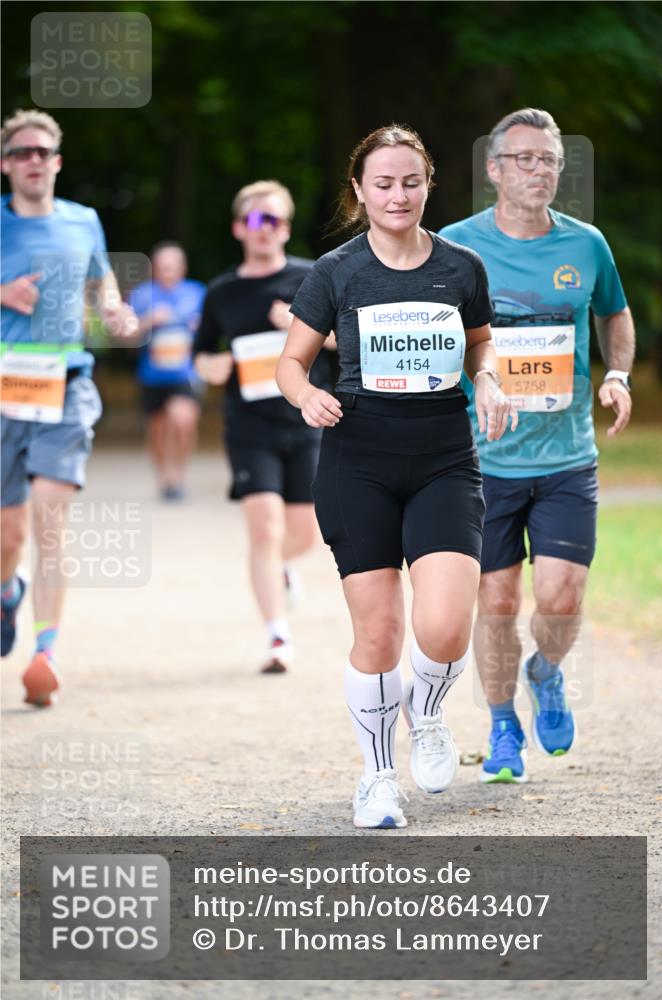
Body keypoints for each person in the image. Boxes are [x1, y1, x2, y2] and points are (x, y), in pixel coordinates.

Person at [277, 125, 516, 829]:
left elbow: (480, 346)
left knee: (443, 627)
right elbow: (290, 362)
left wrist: (492, 383)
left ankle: (429, 710)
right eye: (382, 182)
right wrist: (304, 395)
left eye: (409, 181)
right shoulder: (335, 271)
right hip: (358, 460)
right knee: (378, 632)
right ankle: (377, 778)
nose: (397, 194)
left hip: (444, 457)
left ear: (427, 184)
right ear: (359, 190)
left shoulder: (460, 267)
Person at [439, 108, 634, 783]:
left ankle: (544, 673)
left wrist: (616, 372)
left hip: (566, 459)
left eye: (548, 159)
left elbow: (614, 310)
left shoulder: (585, 245)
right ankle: (499, 727)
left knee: (560, 598)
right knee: (494, 602)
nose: (538, 170)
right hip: (479, 462)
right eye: (522, 158)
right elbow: (431, 331)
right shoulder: (455, 247)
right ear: (493, 169)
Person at [0, 109, 138, 706]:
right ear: (7, 163)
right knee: (9, 534)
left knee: (50, 523)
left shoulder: (84, 221)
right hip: (5, 387)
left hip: (65, 381)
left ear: (56, 162)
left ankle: (45, 653)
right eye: (22, 151)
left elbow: (101, 280)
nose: (34, 160)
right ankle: (9, 591)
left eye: (43, 152)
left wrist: (113, 309)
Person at [193, 181, 336, 673]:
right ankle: (277, 636)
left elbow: (347, 340)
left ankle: (280, 570)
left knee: (304, 534)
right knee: (263, 527)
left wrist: (296, 325)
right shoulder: (222, 292)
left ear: (286, 228)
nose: (264, 229)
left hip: (307, 420)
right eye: (255, 220)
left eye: (273, 220)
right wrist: (207, 368)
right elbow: (204, 352)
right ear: (239, 228)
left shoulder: (314, 277)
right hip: (248, 425)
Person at [129, 241, 205, 500]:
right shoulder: (141, 294)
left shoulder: (197, 293)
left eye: (172, 267)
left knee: (183, 421)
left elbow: (212, 331)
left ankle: (179, 475)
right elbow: (126, 336)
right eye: (162, 267)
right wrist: (147, 321)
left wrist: (200, 328)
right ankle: (164, 476)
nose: (167, 271)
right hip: (152, 375)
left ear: (182, 268)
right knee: (157, 431)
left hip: (186, 374)